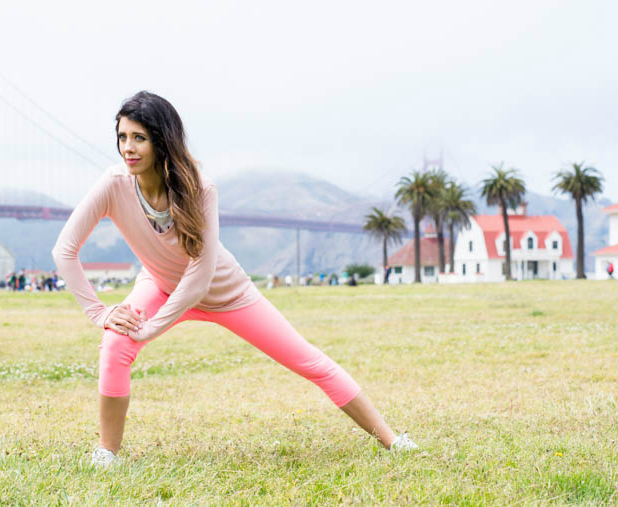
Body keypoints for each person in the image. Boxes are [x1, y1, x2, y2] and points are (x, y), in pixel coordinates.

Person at [52, 91, 417, 467]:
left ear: (161, 141)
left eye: (138, 138)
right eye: (122, 137)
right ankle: (107, 453)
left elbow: (200, 274)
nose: (127, 148)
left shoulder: (200, 188)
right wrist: (100, 313)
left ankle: (392, 441)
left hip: (227, 294)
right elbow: (64, 250)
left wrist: (152, 327)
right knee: (115, 344)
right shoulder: (113, 184)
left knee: (308, 360)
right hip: (160, 285)